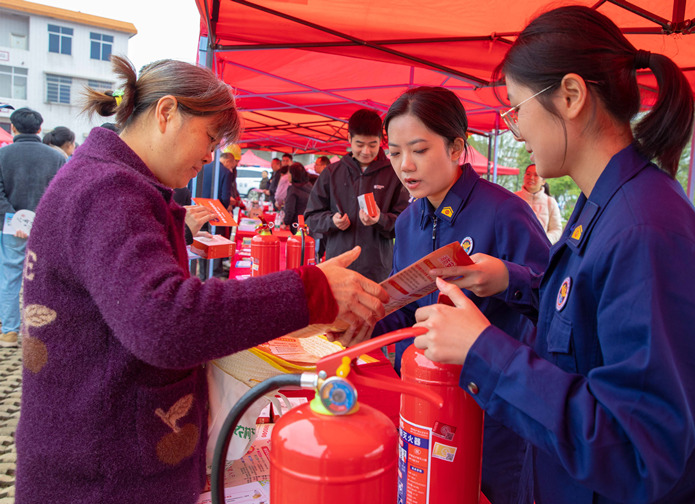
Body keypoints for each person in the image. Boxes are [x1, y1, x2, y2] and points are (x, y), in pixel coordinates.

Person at [16, 56, 388, 504]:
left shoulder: (115, 183)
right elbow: (164, 320)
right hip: (102, 474)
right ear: (166, 112)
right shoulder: (108, 191)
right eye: (210, 137)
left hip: (108, 451)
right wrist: (309, 291)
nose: (211, 156)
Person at [411, 6, 695, 504]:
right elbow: (586, 328)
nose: (516, 130)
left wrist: (483, 349)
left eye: (517, 109)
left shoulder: (645, 229)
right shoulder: (605, 203)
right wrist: (510, 281)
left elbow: (636, 450)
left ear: (571, 95)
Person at [374, 86, 550, 504]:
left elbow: (557, 305)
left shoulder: (505, 212)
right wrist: (359, 318)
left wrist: (508, 276)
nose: (404, 166)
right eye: (395, 152)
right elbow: (408, 308)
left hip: (496, 407)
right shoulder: (407, 223)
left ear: (456, 148)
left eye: (418, 150)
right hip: (425, 396)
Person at [305, 108, 410, 282]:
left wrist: (380, 220)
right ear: (349, 139)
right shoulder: (331, 173)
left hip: (377, 270)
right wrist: (332, 221)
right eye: (360, 144)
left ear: (381, 141)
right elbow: (311, 217)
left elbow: (405, 223)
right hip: (338, 267)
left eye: (372, 145)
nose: (366, 151)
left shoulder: (394, 174)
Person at [0, 108, 65, 348]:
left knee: (9, 278)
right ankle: (42, 331)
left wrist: (16, 219)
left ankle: (8, 333)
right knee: (44, 279)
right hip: (45, 227)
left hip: (10, 227)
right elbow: (59, 195)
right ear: (40, 129)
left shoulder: (2, 155)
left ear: (13, 128)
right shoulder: (56, 157)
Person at [515, 163, 563, 244]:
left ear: (543, 181)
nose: (531, 178)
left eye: (536, 175)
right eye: (528, 174)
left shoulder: (550, 202)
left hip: (541, 250)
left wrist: (544, 241)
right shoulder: (514, 198)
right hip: (516, 247)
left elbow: (556, 229)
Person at [283, 161, 314, 233]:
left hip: (297, 226)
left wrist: (286, 222)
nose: (288, 175)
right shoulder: (310, 186)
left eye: (289, 173)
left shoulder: (293, 189)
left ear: (293, 175)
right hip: (310, 225)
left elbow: (290, 210)